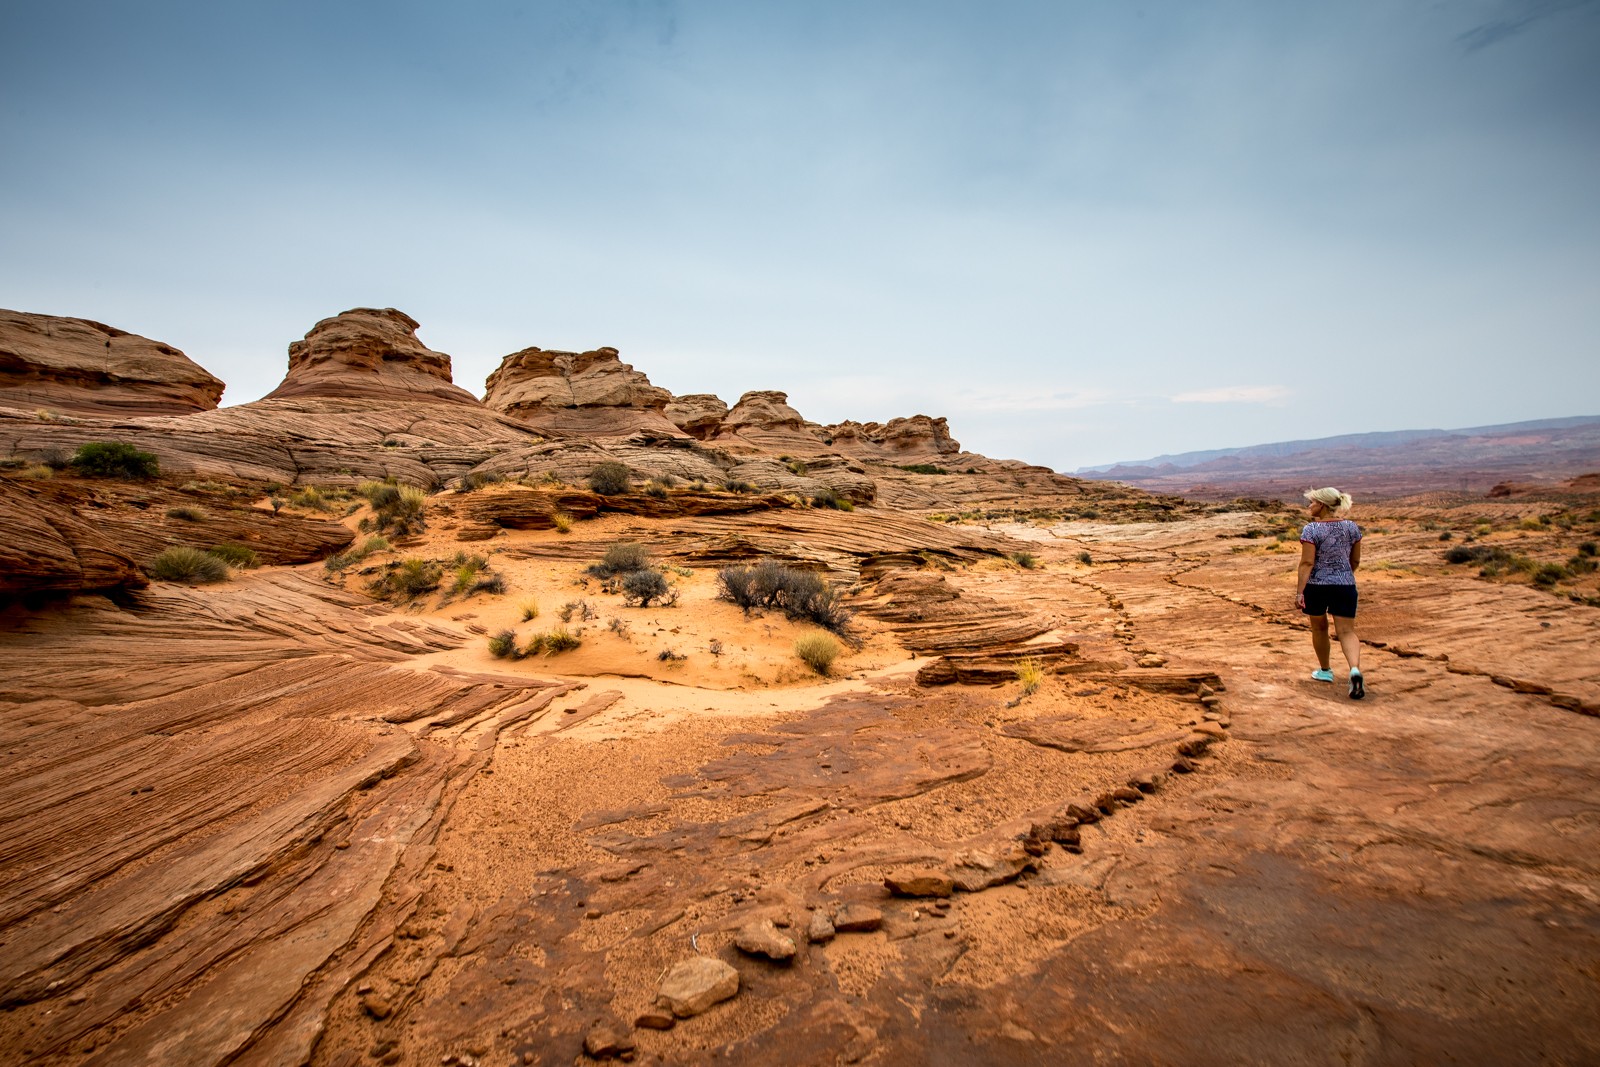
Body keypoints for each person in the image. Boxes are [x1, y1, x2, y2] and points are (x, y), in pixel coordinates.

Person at [1295, 486, 1365, 699]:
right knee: (1346, 631)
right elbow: (1355, 560)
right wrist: (1343, 576)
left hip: (1317, 586)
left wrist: (1300, 592)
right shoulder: (1352, 528)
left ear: (1322, 505)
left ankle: (1325, 671)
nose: (1310, 506)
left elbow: (1307, 563)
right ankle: (1354, 669)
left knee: (1319, 628)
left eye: (1313, 502)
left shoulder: (1312, 530)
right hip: (1344, 585)